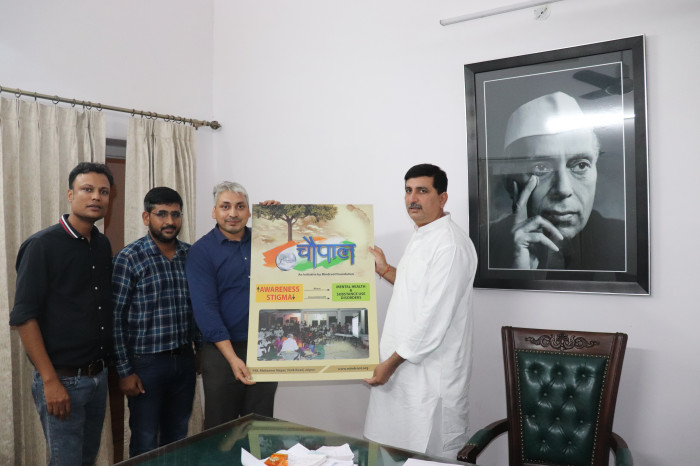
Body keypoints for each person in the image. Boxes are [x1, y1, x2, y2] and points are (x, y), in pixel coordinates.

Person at [364, 163, 477, 459]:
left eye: (422, 191)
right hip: (401, 373)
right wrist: (384, 269)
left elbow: (432, 319)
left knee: (427, 457)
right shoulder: (423, 234)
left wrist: (389, 365)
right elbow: (414, 288)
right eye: (408, 190)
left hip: (429, 378)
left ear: (442, 197)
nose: (412, 198)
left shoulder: (450, 246)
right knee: (391, 453)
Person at [9, 162, 114, 465]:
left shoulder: (101, 244)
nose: (96, 197)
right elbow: (24, 317)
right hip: (62, 380)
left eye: (103, 191)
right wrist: (50, 380)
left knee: (86, 459)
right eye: (87, 189)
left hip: (97, 378)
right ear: (70, 194)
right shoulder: (42, 245)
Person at [488, 91, 625, 270]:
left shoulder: (624, 241)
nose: (563, 189)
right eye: (541, 168)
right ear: (510, 184)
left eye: (581, 165)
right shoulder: (483, 242)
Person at [111, 187, 199, 457]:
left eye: (175, 214)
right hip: (146, 365)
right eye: (161, 214)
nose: (170, 221)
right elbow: (115, 318)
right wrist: (124, 371)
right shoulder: (129, 258)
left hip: (184, 362)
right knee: (145, 440)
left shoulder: (192, 256)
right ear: (146, 217)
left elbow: (199, 308)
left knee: (177, 438)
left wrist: (199, 352)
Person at [185, 181, 278, 429]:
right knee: (221, 429)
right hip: (221, 352)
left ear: (249, 212)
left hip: (266, 347)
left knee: (260, 425)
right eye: (225, 206)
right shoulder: (201, 251)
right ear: (214, 211)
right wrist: (232, 358)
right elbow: (206, 310)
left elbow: (299, 255)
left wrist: (277, 218)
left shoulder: (266, 241)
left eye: (240, 206)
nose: (233, 213)